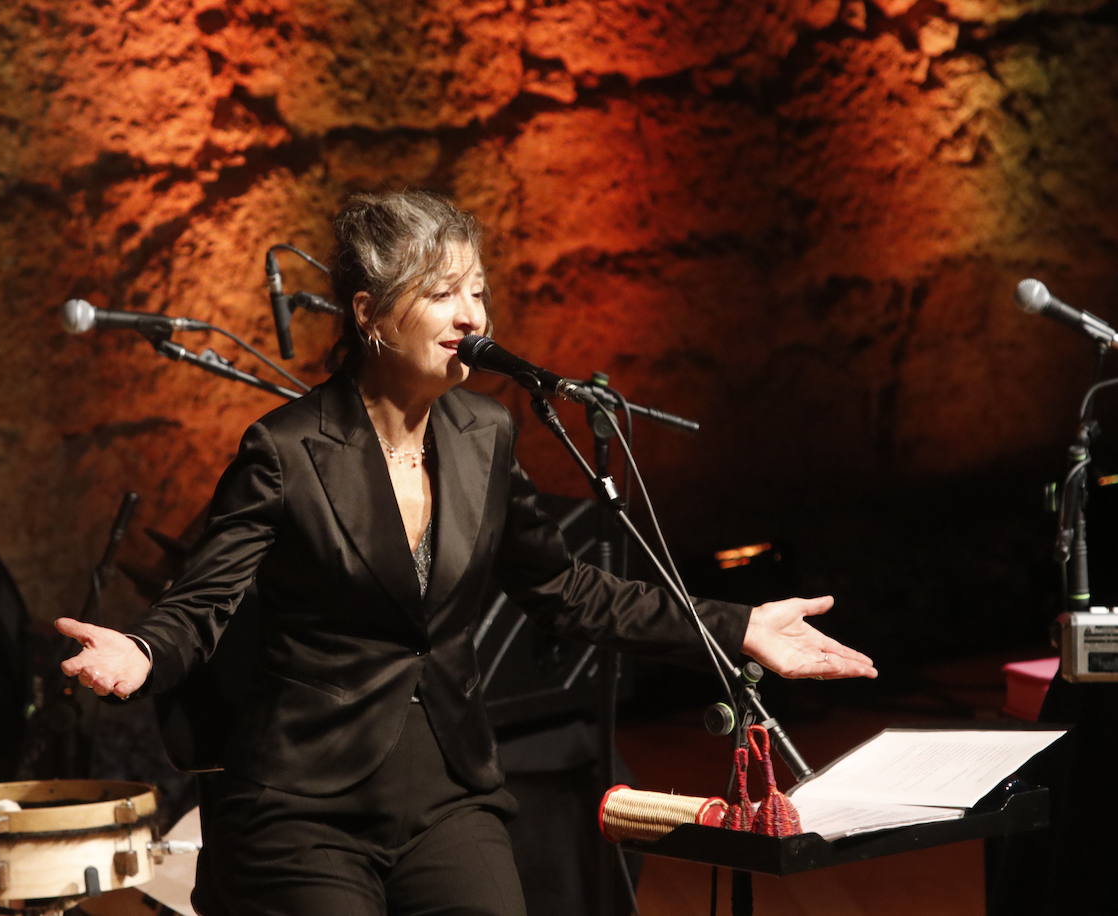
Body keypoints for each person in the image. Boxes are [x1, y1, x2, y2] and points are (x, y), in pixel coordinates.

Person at [55, 190, 877, 915]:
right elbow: (205, 603)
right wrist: (141, 651)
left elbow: (566, 589)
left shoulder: (484, 432)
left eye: (477, 292)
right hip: (300, 806)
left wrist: (735, 628)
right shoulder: (287, 448)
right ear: (369, 313)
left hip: (448, 793)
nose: (473, 318)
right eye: (443, 293)